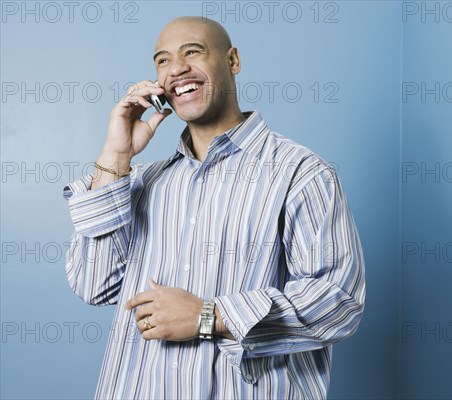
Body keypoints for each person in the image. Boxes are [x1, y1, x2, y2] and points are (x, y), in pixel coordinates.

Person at [63, 16, 365, 399]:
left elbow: (338, 303)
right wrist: (116, 154)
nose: (176, 68)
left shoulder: (301, 173)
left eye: (193, 52)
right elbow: (94, 285)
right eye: (162, 60)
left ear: (233, 61)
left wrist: (209, 317)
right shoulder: (139, 182)